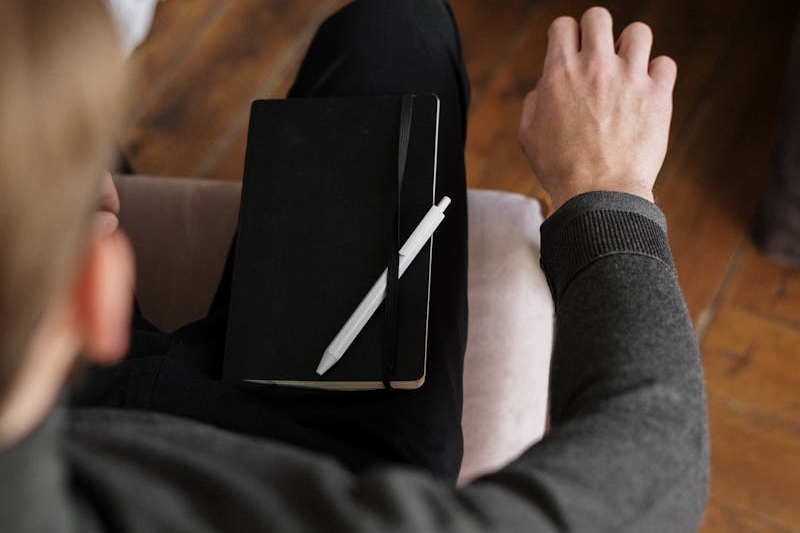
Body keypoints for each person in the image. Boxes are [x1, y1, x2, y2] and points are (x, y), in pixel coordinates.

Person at [0, 0, 709, 532]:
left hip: (67, 400)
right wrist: (607, 184)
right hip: (314, 458)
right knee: (400, 25)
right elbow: (658, 446)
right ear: (98, 292)